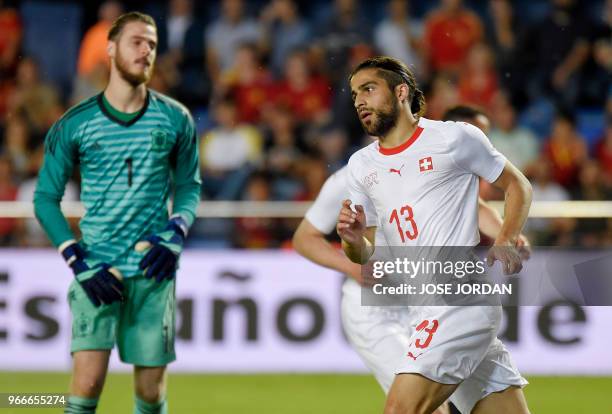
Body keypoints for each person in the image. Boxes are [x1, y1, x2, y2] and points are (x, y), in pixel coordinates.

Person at [293, 105, 529, 414]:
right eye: (475, 133)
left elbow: (480, 206)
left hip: (437, 302)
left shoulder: (442, 169)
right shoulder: (356, 173)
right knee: (424, 407)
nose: (481, 144)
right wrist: (352, 266)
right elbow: (304, 237)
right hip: (380, 311)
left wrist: (507, 235)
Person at [33, 12, 201, 414]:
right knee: (87, 384)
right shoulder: (74, 124)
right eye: (137, 41)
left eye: (153, 44)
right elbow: (44, 198)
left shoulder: (176, 118)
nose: (146, 51)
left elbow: (189, 187)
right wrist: (75, 257)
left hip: (153, 270)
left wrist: (176, 232)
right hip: (96, 269)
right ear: (110, 49)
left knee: (149, 391)